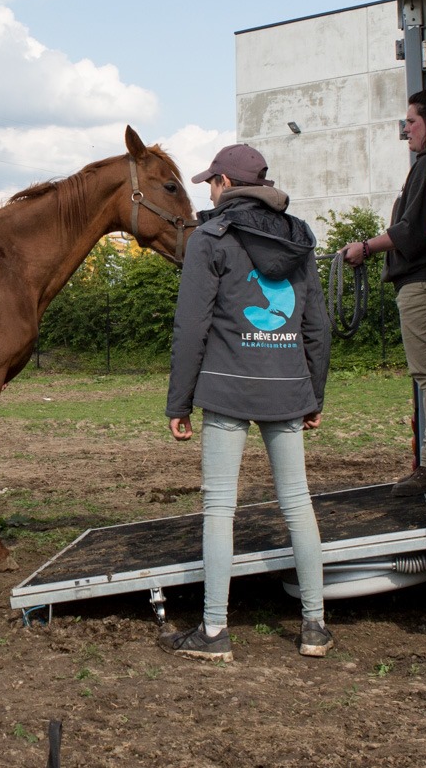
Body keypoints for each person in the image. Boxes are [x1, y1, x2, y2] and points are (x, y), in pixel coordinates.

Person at [161, 143, 333, 662]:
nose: (207, 191)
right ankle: (315, 628)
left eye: (211, 181)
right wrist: (313, 394)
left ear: (227, 186)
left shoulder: (210, 239)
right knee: (297, 503)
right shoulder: (299, 238)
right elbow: (317, 327)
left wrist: (179, 403)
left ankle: (214, 632)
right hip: (287, 387)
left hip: (226, 386)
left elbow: (191, 326)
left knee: (219, 508)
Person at [341, 90, 426, 495]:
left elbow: (411, 232)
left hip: (421, 285)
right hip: (421, 284)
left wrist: (364, 248)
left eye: (412, 122)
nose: (407, 131)